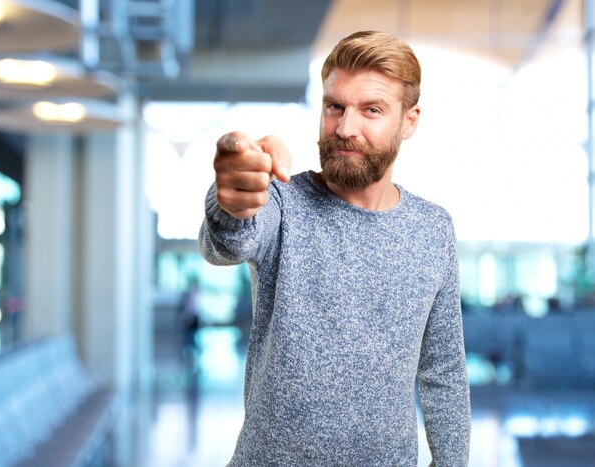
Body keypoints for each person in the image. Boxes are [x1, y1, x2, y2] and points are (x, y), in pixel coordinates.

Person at [199, 31, 470, 466]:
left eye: (371, 110)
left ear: (410, 120)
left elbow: (444, 371)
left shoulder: (433, 229)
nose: (345, 129)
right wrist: (229, 201)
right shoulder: (283, 201)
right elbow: (227, 244)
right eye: (334, 107)